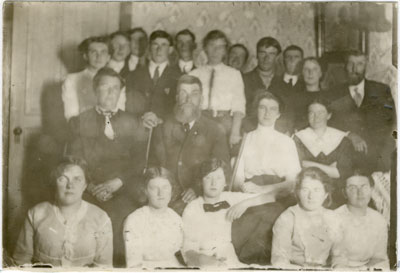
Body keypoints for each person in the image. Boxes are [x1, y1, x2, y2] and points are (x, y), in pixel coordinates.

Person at [68, 67, 149, 267]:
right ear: (95, 90)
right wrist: (91, 186)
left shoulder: (132, 122)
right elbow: (73, 160)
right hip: (89, 187)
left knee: (122, 217)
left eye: (115, 88)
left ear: (120, 92)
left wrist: (118, 182)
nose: (111, 93)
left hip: (122, 187)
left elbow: (140, 162)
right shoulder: (80, 121)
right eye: (105, 88)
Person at [148, 74, 230, 215]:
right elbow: (153, 166)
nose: (188, 99)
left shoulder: (215, 129)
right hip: (167, 196)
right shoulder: (162, 127)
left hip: (200, 195)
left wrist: (197, 189)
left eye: (194, 94)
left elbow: (223, 169)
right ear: (176, 98)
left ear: (201, 100)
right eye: (183, 93)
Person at [13, 157, 113, 267]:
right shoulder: (36, 213)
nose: (70, 185)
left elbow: (104, 267)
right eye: (63, 179)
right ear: (54, 183)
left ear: (85, 185)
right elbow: (21, 261)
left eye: (77, 179)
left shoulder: (101, 218)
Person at [182, 158, 275, 268]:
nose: (213, 183)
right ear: (200, 182)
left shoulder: (230, 197)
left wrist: (246, 204)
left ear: (225, 182)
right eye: (208, 178)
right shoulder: (192, 208)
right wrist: (210, 262)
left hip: (230, 260)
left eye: (219, 178)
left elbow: (273, 196)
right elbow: (188, 251)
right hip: (204, 262)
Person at [329, 50, 396, 171]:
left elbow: (392, 124)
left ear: (366, 66)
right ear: (345, 66)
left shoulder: (381, 90)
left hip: (377, 158)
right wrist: (349, 134)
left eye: (360, 64)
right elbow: (329, 124)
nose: (354, 69)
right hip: (344, 157)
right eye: (350, 64)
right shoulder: (333, 93)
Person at [271, 167, 345, 269]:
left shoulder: (333, 217)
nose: (311, 196)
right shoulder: (288, 218)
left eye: (317, 190)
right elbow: (279, 260)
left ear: (326, 194)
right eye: (305, 190)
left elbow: (340, 256)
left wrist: (339, 268)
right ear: (297, 193)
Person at [234, 92, 301, 194]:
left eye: (273, 109)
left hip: (277, 194)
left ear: (278, 114)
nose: (267, 113)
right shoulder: (246, 139)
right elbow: (237, 179)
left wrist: (263, 189)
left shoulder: (287, 142)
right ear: (256, 111)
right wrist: (244, 188)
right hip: (248, 192)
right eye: (262, 108)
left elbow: (292, 182)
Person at [189, 30, 246, 147]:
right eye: (212, 46)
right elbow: (188, 104)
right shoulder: (194, 74)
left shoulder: (234, 74)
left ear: (225, 50)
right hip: (199, 120)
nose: (215, 51)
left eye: (220, 47)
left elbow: (238, 106)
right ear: (205, 48)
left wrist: (235, 132)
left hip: (223, 122)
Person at [123, 167, 183, 269]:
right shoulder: (135, 220)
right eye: (154, 188)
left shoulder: (176, 218)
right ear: (145, 191)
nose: (161, 193)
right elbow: (133, 264)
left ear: (172, 189)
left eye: (165, 187)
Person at [335, 171, 389, 270]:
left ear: (372, 190)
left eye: (364, 187)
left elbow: (379, 258)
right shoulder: (334, 218)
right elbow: (335, 259)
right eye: (352, 188)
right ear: (344, 193)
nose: (360, 192)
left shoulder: (379, 219)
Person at [125, 30, 182, 120]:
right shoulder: (133, 76)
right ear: (149, 48)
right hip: (138, 129)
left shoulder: (179, 77)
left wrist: (160, 120)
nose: (159, 49)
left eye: (164, 45)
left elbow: (179, 109)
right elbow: (128, 108)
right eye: (155, 44)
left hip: (164, 130)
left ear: (170, 49)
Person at [293, 98, 353, 180]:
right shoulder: (298, 138)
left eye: (320, 113)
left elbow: (343, 173)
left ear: (329, 115)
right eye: (311, 113)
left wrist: (307, 164)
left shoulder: (342, 139)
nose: (316, 117)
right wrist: (331, 170)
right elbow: (296, 168)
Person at [62, 36, 111, 121]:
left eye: (103, 52)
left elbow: (119, 111)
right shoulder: (72, 80)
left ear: (108, 57)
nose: (98, 56)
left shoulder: (117, 80)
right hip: (83, 128)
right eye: (93, 52)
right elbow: (71, 114)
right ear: (85, 56)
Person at [242, 37, 282, 116]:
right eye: (262, 53)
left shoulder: (284, 81)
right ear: (257, 55)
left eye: (271, 54)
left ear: (277, 57)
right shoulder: (243, 79)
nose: (266, 58)